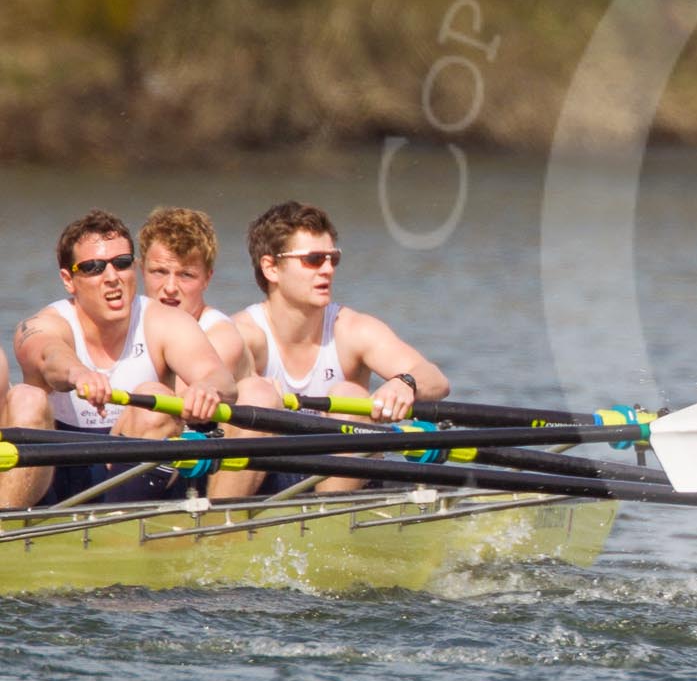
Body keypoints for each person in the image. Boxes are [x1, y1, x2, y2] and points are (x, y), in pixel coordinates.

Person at [6, 210, 241, 509]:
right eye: (93, 268)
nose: (112, 278)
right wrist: (78, 373)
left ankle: (117, 537)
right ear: (69, 279)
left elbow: (221, 379)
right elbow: (48, 354)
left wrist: (207, 388)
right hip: (56, 470)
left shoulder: (165, 321)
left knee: (153, 398)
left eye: (122, 263)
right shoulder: (48, 322)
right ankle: (7, 530)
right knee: (26, 398)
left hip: (136, 469)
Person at [233, 201, 449, 494]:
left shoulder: (352, 329)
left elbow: (435, 379)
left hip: (344, 481)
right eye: (313, 259)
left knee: (350, 396)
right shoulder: (242, 334)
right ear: (271, 268)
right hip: (263, 478)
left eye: (333, 259)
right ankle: (217, 528)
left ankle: (327, 529)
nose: (327, 270)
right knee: (255, 395)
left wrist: (405, 383)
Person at [138, 206, 252, 381]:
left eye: (186, 275)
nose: (170, 288)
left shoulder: (221, 337)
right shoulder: (123, 322)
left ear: (207, 278)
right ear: (141, 269)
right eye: (159, 272)